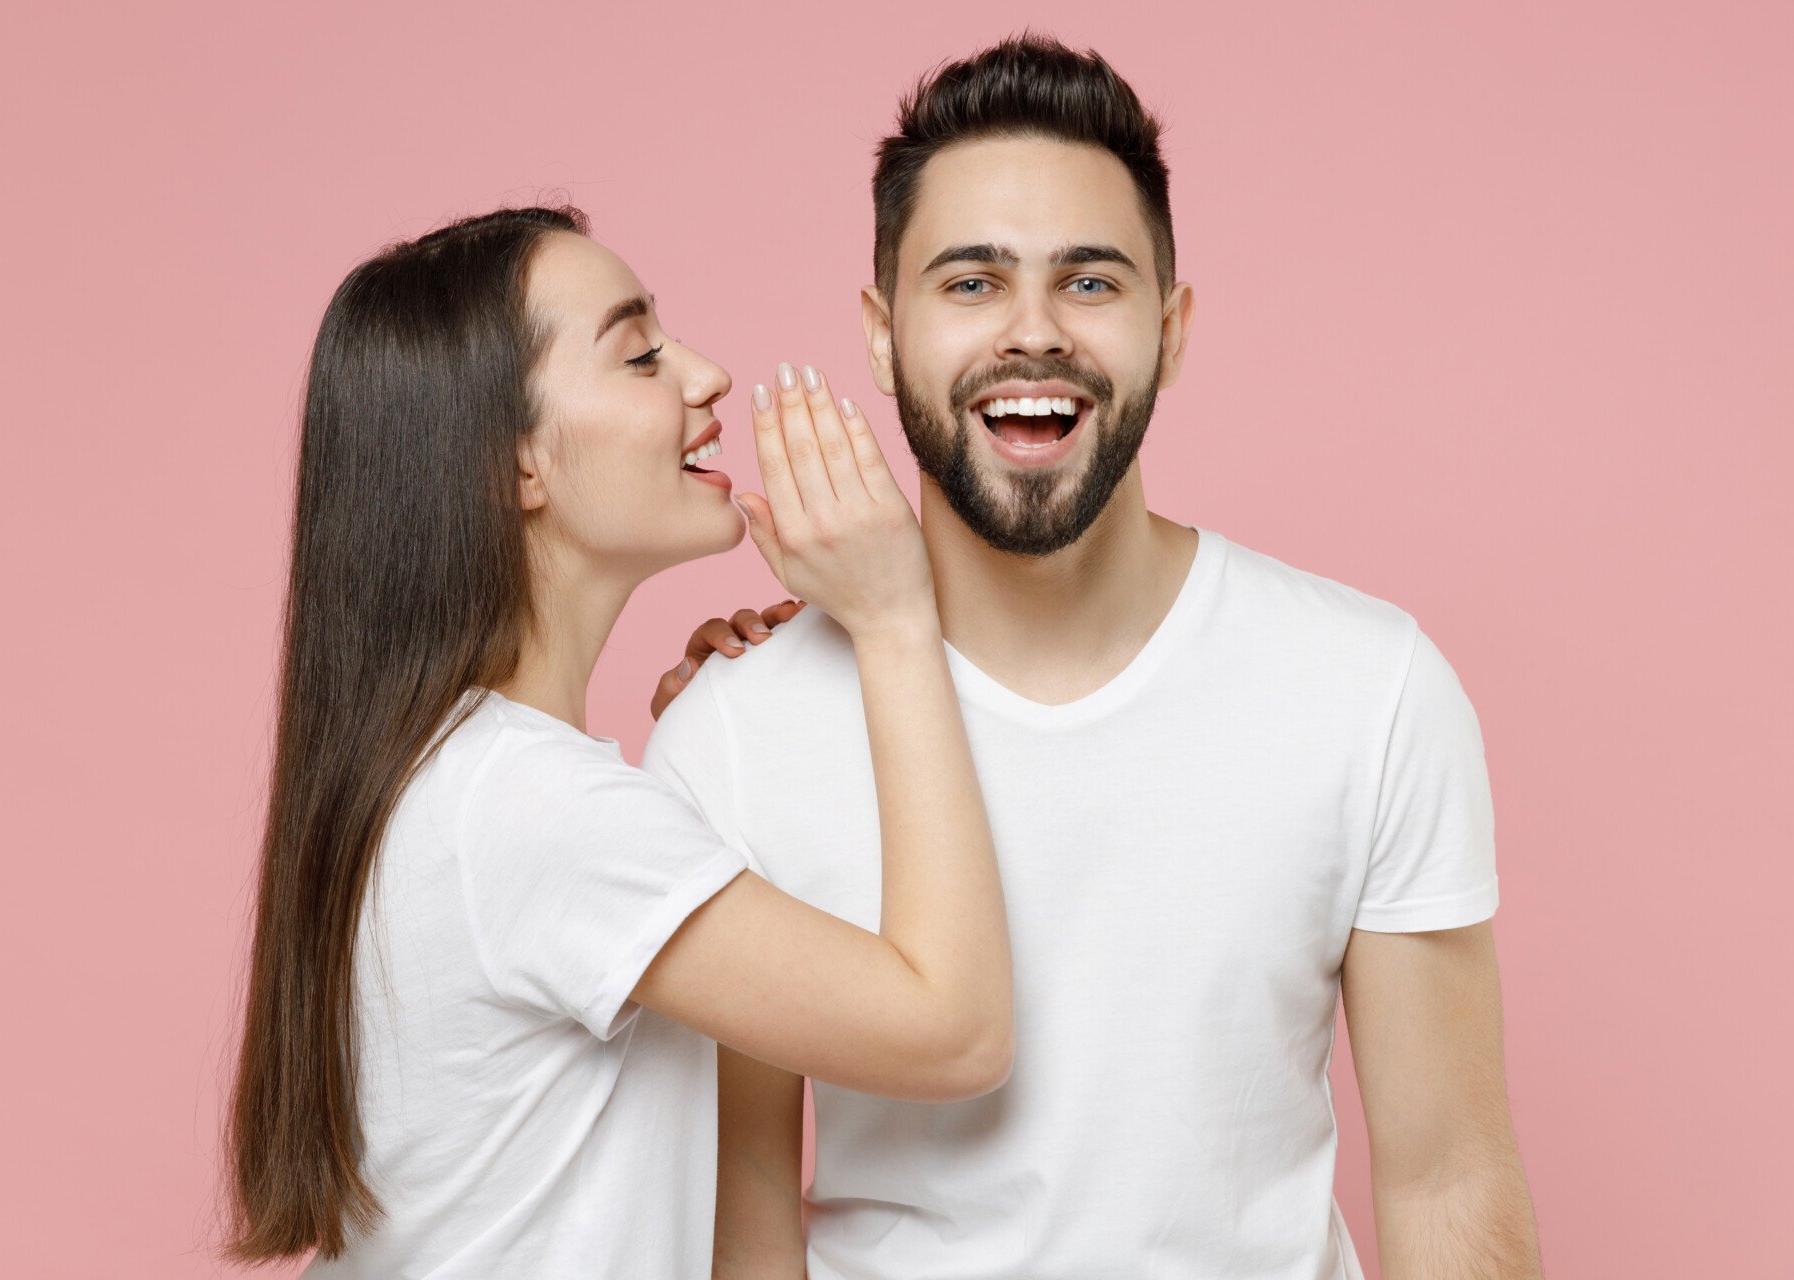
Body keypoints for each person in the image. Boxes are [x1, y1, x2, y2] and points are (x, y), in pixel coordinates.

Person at [645, 36, 1542, 1279]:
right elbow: (741, 1212)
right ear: (879, 331)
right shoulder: (736, 733)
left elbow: (1449, 1173)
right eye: (969, 283)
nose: (1034, 334)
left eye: (1091, 282)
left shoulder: (1371, 690)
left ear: (1170, 329)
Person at [223, 206, 1015, 1278]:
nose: (706, 375)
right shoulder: (533, 804)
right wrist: (894, 620)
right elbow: (955, 1031)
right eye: (639, 353)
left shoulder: (466, 780)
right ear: (517, 465)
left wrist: (705, 828)